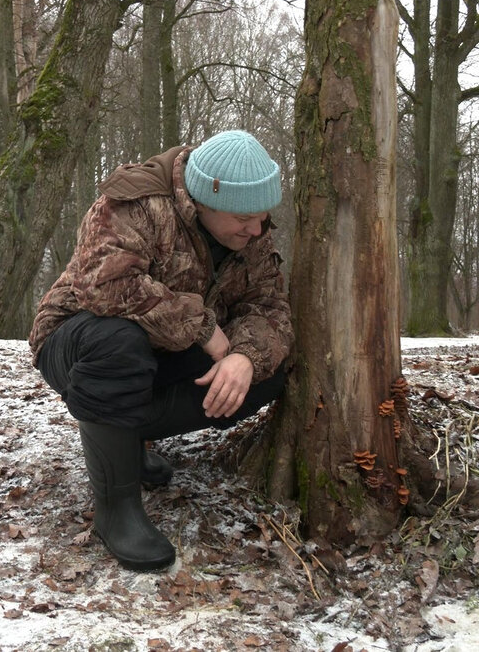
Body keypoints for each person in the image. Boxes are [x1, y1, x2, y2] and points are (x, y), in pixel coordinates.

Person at [28, 130, 293, 572]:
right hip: (76, 340)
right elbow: (104, 287)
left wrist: (243, 358)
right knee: (119, 341)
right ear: (203, 200)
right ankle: (116, 508)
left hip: (160, 351)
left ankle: (121, 441)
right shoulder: (138, 202)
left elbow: (271, 309)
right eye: (244, 218)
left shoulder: (252, 234)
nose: (256, 229)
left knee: (270, 370)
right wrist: (204, 327)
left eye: (263, 217)